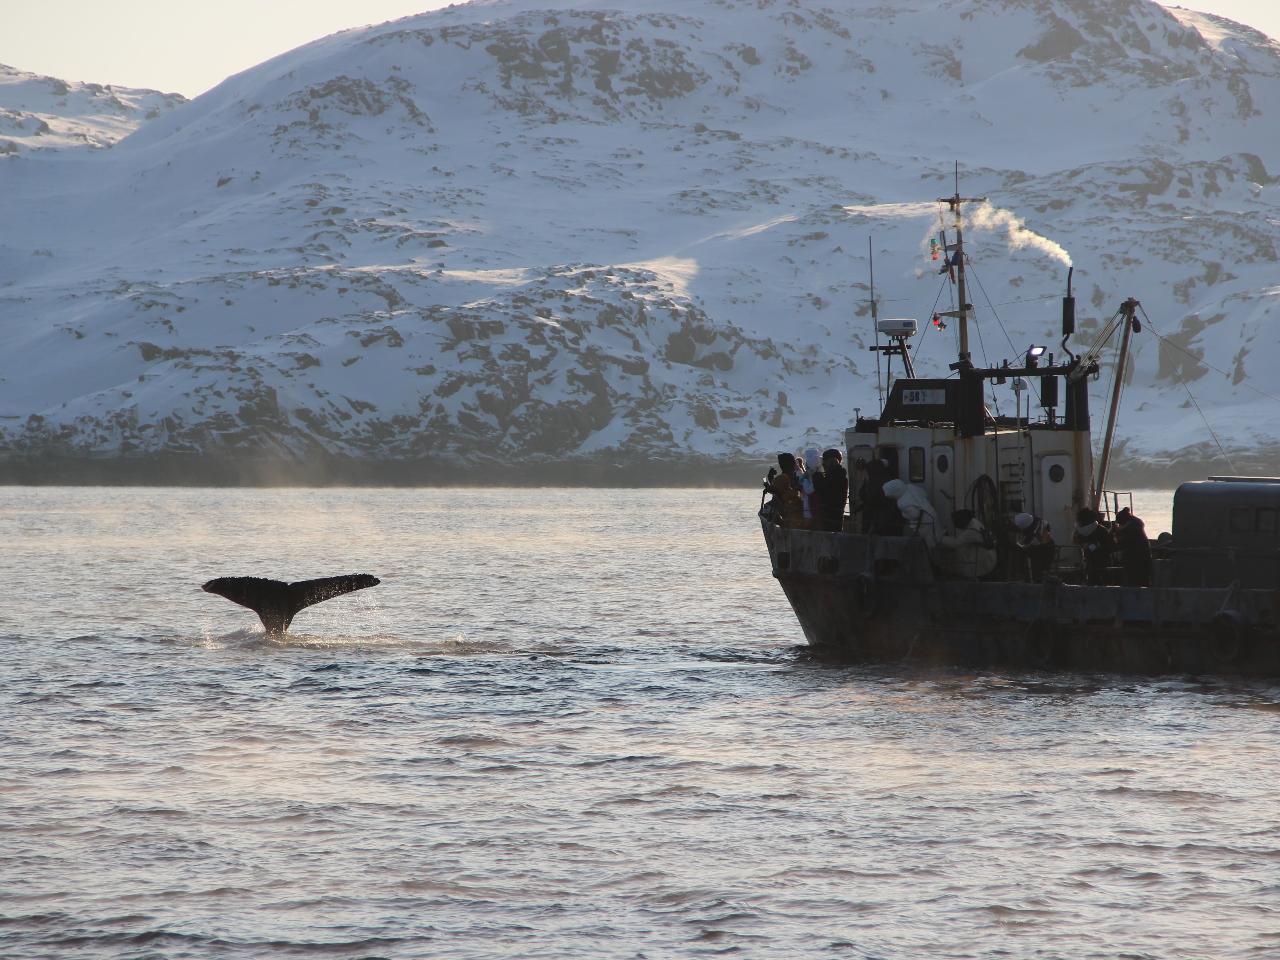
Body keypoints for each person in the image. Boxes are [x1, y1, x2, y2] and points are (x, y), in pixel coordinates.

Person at [938, 509, 998, 579]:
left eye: (956, 522)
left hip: (986, 562)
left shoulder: (971, 532)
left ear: (962, 521)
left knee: (958, 559)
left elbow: (955, 543)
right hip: (989, 556)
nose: (955, 525)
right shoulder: (974, 521)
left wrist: (940, 538)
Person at [882, 478, 940, 547]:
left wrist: (904, 514)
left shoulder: (902, 502)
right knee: (938, 538)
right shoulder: (911, 487)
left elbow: (915, 515)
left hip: (924, 523)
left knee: (931, 542)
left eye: (892, 497)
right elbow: (924, 494)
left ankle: (953, 545)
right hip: (931, 514)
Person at [1113, 507, 1152, 587]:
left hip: (1135, 556)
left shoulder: (1131, 529)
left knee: (1134, 577)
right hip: (1141, 554)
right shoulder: (1135, 524)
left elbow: (1124, 543)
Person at [1012, 512, 1056, 582]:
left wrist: (1016, 543)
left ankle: (1023, 577)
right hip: (1044, 547)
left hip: (1044, 550)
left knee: (1039, 574)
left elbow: (1024, 545)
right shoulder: (1037, 521)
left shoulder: (1034, 534)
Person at [764, 453, 805, 528]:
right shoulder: (798, 475)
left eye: (780, 463)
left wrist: (769, 481)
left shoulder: (783, 477)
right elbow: (777, 490)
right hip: (798, 510)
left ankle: (783, 524)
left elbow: (774, 490)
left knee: (766, 509)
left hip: (789, 511)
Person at [1073, 508, 1113, 586]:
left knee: (1101, 582)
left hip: (1101, 562)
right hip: (1090, 561)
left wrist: (1093, 546)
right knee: (1092, 581)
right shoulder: (1099, 530)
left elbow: (1109, 547)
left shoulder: (1101, 531)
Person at [816, 449, 848, 532]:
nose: (823, 464)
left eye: (825, 461)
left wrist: (817, 476)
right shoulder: (840, 475)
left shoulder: (835, 477)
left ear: (831, 461)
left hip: (830, 518)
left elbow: (824, 489)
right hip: (836, 517)